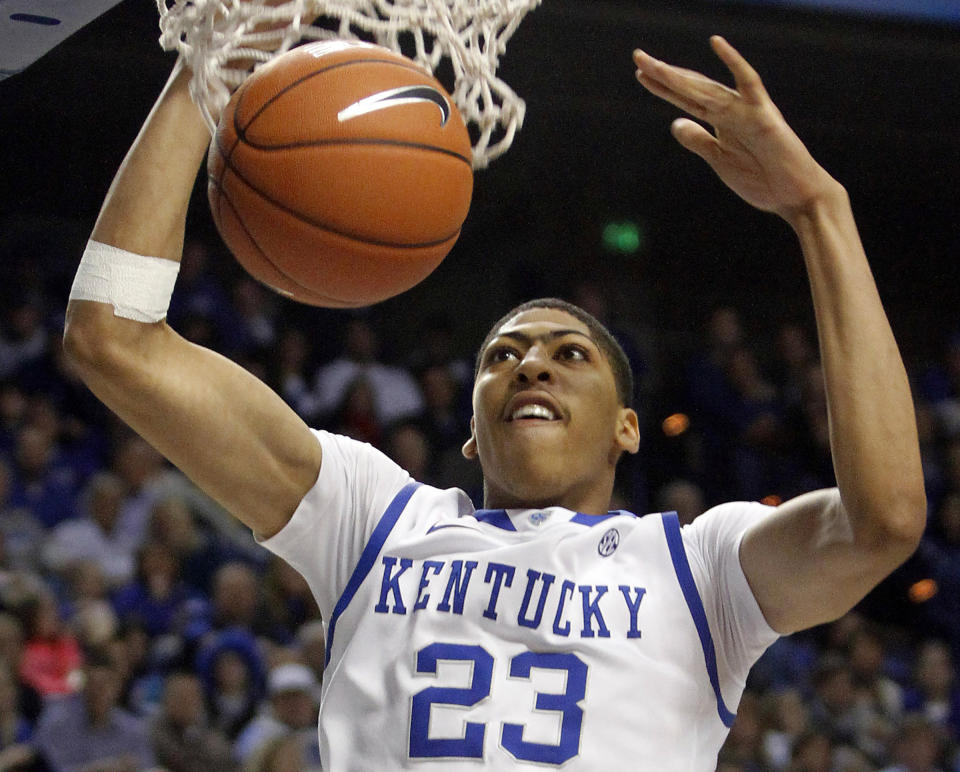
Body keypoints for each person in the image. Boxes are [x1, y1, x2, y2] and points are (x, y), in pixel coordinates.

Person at [61, 31, 926, 771]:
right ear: (471, 432)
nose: (531, 367)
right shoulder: (375, 519)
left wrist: (821, 211)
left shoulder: (698, 567)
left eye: (569, 353)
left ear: (629, 428)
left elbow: (880, 520)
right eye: (502, 356)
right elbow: (114, 340)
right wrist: (207, 72)